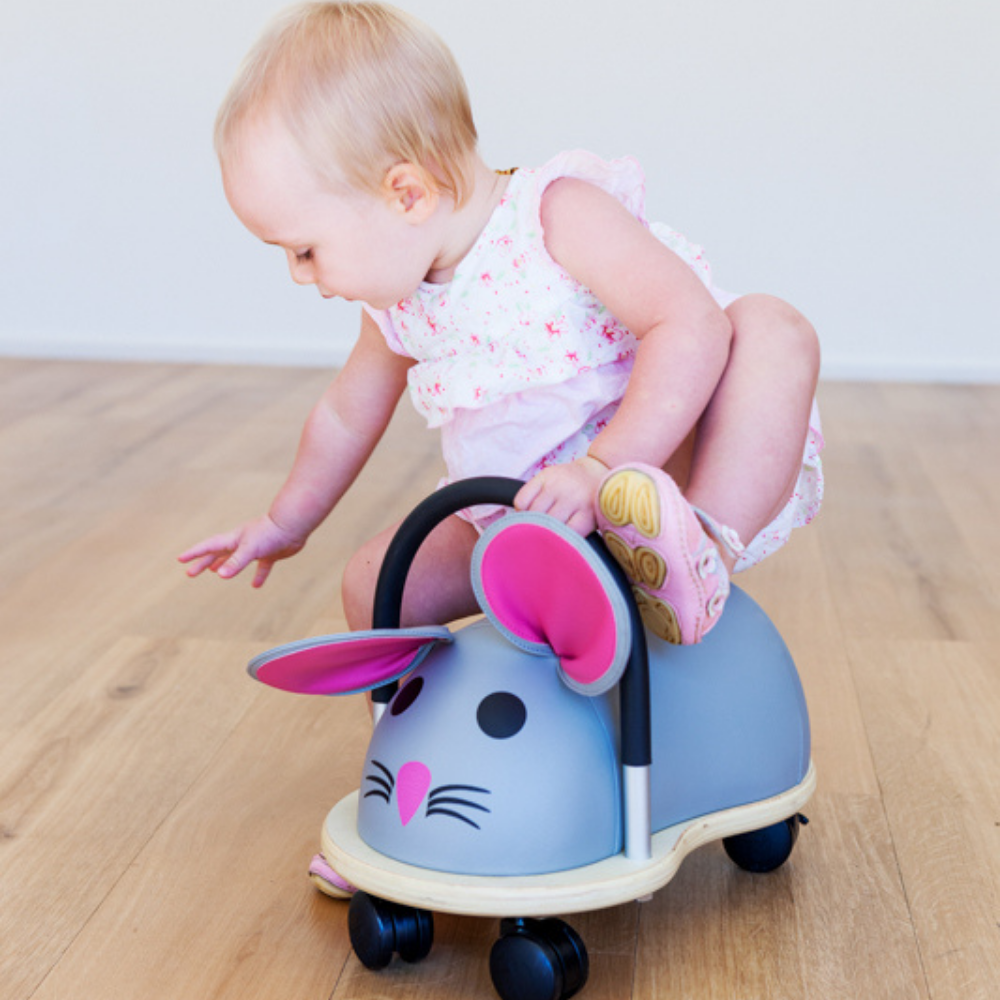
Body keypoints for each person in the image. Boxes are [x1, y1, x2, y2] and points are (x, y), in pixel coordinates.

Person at [178, 1, 823, 648]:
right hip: (514, 519)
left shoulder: (558, 216)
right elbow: (345, 415)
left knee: (772, 327)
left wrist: (602, 469)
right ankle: (425, 725)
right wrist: (286, 521)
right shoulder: (397, 305)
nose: (300, 275)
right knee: (374, 583)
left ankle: (698, 553)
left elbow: (691, 325)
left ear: (406, 194)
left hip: (652, 475)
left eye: (305, 250)